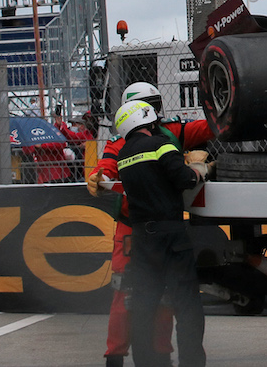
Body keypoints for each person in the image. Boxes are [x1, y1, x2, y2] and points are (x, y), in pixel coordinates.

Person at [88, 82, 214, 367]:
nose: (155, 112)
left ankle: (157, 355)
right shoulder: (151, 142)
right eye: (149, 106)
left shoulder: (164, 135)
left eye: (155, 104)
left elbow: (207, 128)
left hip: (143, 233)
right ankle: (117, 354)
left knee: (154, 300)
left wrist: (227, 115)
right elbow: (104, 169)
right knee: (126, 293)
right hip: (136, 227)